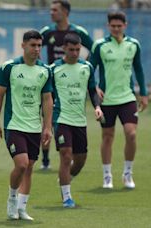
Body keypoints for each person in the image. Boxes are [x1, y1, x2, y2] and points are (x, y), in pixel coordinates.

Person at [0, 30, 53, 221]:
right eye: (32, 45)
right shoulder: (9, 67)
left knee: (29, 168)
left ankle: (22, 208)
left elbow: (47, 99)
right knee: (22, 164)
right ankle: (12, 198)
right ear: (23, 45)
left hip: (34, 127)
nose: (36, 49)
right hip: (14, 125)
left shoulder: (45, 70)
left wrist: (47, 126)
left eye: (39, 46)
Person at [90, 11, 148, 189]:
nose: (116, 29)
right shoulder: (99, 45)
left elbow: (138, 69)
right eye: (113, 26)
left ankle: (127, 173)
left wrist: (144, 94)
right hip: (106, 99)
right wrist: (95, 87)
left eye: (119, 25)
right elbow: (90, 69)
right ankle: (107, 176)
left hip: (127, 98)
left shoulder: (133, 44)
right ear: (108, 26)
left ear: (125, 25)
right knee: (107, 137)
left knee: (131, 134)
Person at [39, 0, 94, 170]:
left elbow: (95, 49)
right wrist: (43, 68)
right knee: (46, 119)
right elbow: (33, 46)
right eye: (50, 10)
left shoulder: (78, 32)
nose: (51, 13)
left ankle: (65, 156)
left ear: (65, 12)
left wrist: (83, 64)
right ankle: (46, 160)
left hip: (70, 82)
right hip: (53, 82)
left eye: (55, 10)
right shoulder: (48, 32)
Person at [51, 33, 103, 208]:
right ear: (64, 48)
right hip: (61, 118)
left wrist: (97, 107)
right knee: (66, 156)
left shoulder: (87, 67)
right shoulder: (54, 69)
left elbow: (92, 91)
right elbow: (47, 96)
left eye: (78, 50)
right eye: (71, 49)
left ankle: (65, 178)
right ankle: (67, 196)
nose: (75, 53)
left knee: (80, 160)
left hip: (79, 120)